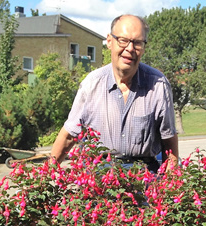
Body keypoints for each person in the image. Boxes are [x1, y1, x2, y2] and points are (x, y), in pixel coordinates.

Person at [50, 14, 178, 172]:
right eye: (123, 40)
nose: (130, 49)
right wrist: (45, 178)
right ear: (109, 41)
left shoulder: (158, 85)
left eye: (137, 43)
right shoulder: (92, 84)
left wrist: (171, 187)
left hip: (143, 178)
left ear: (144, 47)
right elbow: (68, 136)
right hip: (97, 177)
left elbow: (169, 143)